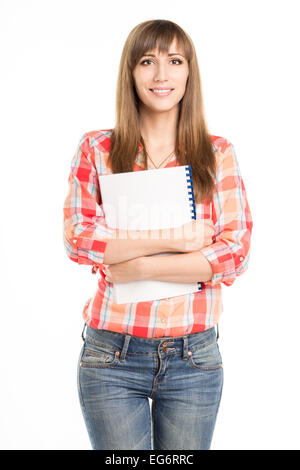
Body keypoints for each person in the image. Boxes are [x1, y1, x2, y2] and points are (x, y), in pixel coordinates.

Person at [63, 19, 253, 450]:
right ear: (131, 72)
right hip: (112, 355)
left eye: (174, 60)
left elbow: (234, 252)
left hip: (195, 358)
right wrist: (181, 239)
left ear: (189, 72)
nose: (161, 75)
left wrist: (138, 265)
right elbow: (79, 236)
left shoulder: (216, 152)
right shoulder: (98, 149)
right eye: (147, 61)